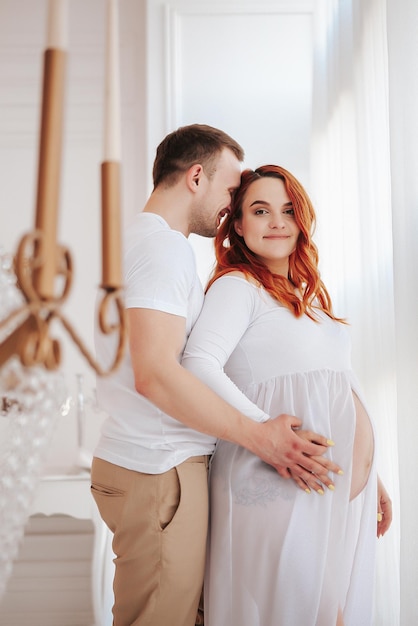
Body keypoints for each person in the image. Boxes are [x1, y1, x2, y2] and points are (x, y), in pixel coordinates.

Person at [90, 128, 343, 626]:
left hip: (151, 465)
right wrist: (261, 436)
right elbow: (157, 374)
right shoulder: (165, 250)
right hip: (159, 467)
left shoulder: (141, 243)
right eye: (233, 193)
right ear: (197, 176)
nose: (232, 206)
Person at [182, 164, 392, 626]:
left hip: (321, 487)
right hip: (274, 479)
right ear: (237, 224)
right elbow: (197, 363)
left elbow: (338, 382)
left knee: (324, 613)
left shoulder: (306, 294)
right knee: (312, 615)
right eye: (261, 210)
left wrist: (370, 474)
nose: (277, 221)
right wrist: (263, 431)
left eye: (288, 209)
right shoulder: (239, 287)